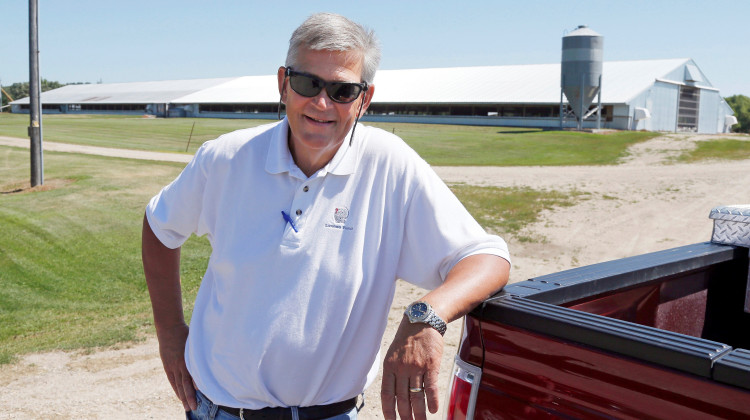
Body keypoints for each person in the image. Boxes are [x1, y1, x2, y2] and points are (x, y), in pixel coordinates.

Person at [142, 12, 510, 420]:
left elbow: (487, 258)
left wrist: (425, 317)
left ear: (364, 100)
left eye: (342, 90)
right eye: (307, 83)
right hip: (219, 411)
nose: (321, 103)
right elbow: (160, 227)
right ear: (283, 83)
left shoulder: (390, 166)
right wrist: (170, 334)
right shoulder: (225, 158)